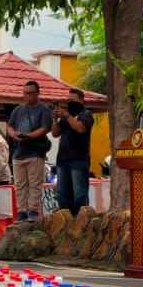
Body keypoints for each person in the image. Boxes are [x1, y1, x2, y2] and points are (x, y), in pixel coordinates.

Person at [7, 80, 54, 221]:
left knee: (35, 184)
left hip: (35, 153)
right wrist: (14, 134)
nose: (27, 96)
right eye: (25, 93)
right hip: (18, 153)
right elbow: (10, 126)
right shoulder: (18, 110)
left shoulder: (44, 110)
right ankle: (21, 211)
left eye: (30, 93)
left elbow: (44, 128)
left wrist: (28, 136)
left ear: (37, 93)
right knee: (20, 185)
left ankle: (33, 211)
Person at [50, 87, 94, 216]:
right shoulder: (65, 116)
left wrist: (67, 115)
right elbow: (55, 133)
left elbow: (80, 128)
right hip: (62, 159)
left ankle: (81, 219)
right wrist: (54, 119)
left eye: (72, 100)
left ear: (81, 100)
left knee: (79, 193)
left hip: (79, 159)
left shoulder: (86, 114)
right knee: (62, 193)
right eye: (68, 99)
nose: (69, 102)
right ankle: (66, 219)